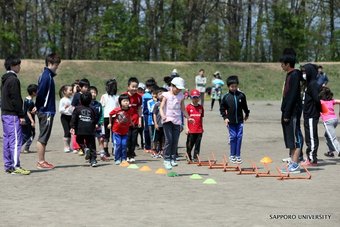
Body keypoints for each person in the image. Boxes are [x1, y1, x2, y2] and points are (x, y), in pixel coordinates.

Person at [1, 55, 30, 175]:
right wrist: (21, 115)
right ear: (13, 65)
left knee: (8, 140)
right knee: (16, 140)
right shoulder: (13, 80)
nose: (20, 67)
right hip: (12, 115)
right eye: (18, 64)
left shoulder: (5, 79)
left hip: (5, 114)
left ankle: (8, 165)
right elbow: (16, 99)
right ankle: (15, 166)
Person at [160, 77, 194, 170]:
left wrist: (188, 117)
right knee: (169, 140)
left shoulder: (181, 96)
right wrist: (163, 115)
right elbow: (161, 107)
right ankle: (166, 159)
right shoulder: (166, 95)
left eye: (180, 89)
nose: (178, 90)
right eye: (177, 88)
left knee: (175, 140)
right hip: (167, 120)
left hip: (177, 121)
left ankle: (172, 158)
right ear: (172, 86)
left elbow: (183, 109)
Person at [35, 53, 61, 169]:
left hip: (46, 110)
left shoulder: (47, 75)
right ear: (50, 64)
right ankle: (41, 161)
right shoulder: (46, 76)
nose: (57, 67)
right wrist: (38, 106)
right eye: (56, 65)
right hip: (46, 111)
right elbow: (40, 93)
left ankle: (41, 160)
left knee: (44, 136)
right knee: (43, 137)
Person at [279, 53, 303, 173]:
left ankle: (295, 164)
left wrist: (287, 113)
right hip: (287, 111)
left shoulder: (294, 75)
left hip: (293, 111)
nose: (281, 66)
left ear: (288, 64)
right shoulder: (289, 75)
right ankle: (292, 162)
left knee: (295, 136)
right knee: (290, 138)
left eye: (282, 64)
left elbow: (292, 96)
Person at [220, 76, 250, 164]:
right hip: (231, 121)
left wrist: (247, 113)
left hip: (240, 121)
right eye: (232, 87)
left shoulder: (241, 95)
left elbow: (245, 106)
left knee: (239, 137)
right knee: (233, 137)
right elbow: (222, 109)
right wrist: (225, 118)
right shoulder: (226, 97)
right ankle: (232, 154)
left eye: (235, 86)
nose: (234, 88)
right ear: (228, 86)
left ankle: (238, 155)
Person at [301, 63, 322, 167]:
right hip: (307, 115)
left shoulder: (313, 84)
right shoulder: (308, 83)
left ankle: (312, 159)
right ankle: (309, 157)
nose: (304, 73)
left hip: (311, 114)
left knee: (312, 137)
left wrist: (318, 110)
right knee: (308, 137)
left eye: (305, 71)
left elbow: (317, 100)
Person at [70, 92, 98, 167]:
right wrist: (95, 124)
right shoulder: (92, 108)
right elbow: (96, 118)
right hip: (90, 129)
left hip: (80, 129)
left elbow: (74, 118)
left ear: (80, 100)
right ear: (90, 100)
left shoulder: (77, 108)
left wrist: (72, 126)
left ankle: (85, 148)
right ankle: (93, 160)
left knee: (79, 140)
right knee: (91, 144)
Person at [108, 94, 132, 165]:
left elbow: (129, 116)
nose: (126, 102)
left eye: (127, 101)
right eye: (124, 101)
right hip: (116, 131)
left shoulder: (129, 110)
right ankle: (117, 158)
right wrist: (110, 123)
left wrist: (131, 122)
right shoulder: (117, 110)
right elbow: (110, 114)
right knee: (118, 145)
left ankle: (124, 158)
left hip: (125, 131)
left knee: (124, 145)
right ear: (120, 102)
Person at [123, 77, 142, 163]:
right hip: (125, 122)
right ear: (128, 87)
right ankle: (126, 154)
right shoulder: (124, 96)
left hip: (135, 121)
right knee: (127, 139)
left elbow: (139, 108)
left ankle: (131, 154)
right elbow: (120, 108)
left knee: (134, 139)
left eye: (136, 87)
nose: (134, 88)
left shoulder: (138, 97)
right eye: (132, 86)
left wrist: (140, 119)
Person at [100, 79, 119, 160]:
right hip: (107, 117)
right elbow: (101, 107)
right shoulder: (104, 96)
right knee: (107, 135)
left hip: (113, 117)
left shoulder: (117, 97)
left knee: (113, 134)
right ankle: (106, 150)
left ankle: (112, 150)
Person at [319, 87, 340, 157]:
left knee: (333, 138)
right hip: (335, 120)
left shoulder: (320, 102)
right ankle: (330, 151)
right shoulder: (331, 101)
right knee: (327, 136)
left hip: (328, 121)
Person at [186, 89, 204, 162]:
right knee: (189, 144)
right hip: (191, 130)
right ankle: (188, 155)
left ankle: (196, 157)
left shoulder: (201, 107)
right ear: (191, 97)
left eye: (197, 97)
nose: (195, 99)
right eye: (194, 97)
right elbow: (186, 118)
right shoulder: (188, 107)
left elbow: (201, 118)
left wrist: (202, 128)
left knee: (197, 145)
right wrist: (187, 128)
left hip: (199, 130)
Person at [142, 78, 157, 153]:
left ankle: (155, 146)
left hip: (156, 114)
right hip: (147, 114)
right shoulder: (145, 95)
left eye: (151, 86)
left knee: (156, 130)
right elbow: (143, 106)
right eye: (148, 86)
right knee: (147, 130)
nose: (150, 88)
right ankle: (147, 146)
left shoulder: (156, 93)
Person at [89, 86, 105, 160]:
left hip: (98, 125)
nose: (93, 94)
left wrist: (100, 122)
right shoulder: (87, 104)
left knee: (101, 139)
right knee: (90, 141)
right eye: (91, 92)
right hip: (89, 125)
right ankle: (91, 154)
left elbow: (101, 114)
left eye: (94, 92)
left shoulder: (98, 104)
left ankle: (102, 153)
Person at [22, 84, 38, 154]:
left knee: (26, 134)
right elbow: (28, 112)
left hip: (25, 119)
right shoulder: (30, 101)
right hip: (28, 120)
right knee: (31, 134)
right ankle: (24, 147)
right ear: (34, 92)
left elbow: (28, 111)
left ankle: (18, 146)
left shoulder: (26, 99)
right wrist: (32, 121)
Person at [152, 88, 167, 158]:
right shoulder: (157, 105)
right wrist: (155, 123)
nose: (161, 95)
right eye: (159, 94)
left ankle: (162, 151)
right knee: (156, 139)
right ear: (157, 96)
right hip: (158, 124)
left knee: (163, 139)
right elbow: (154, 114)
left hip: (165, 124)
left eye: (163, 94)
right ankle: (154, 150)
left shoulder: (166, 104)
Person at [58, 85, 74, 153]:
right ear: (65, 91)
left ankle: (69, 146)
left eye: (71, 90)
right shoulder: (62, 100)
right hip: (64, 117)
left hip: (71, 117)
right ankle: (66, 146)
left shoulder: (72, 99)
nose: (71, 92)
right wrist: (65, 108)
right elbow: (60, 110)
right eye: (70, 90)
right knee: (66, 131)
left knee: (71, 132)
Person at [147, 87, 158, 154]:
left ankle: (157, 149)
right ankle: (152, 148)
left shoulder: (160, 102)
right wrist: (155, 104)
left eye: (156, 94)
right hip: (151, 121)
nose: (154, 95)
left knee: (157, 136)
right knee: (152, 136)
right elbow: (150, 110)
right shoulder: (149, 102)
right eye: (153, 94)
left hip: (158, 121)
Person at [136, 82, 145, 150]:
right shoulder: (136, 96)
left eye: (141, 89)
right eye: (138, 89)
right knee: (136, 131)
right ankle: (136, 143)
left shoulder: (144, 96)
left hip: (142, 116)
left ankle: (142, 143)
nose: (140, 91)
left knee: (142, 131)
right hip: (137, 115)